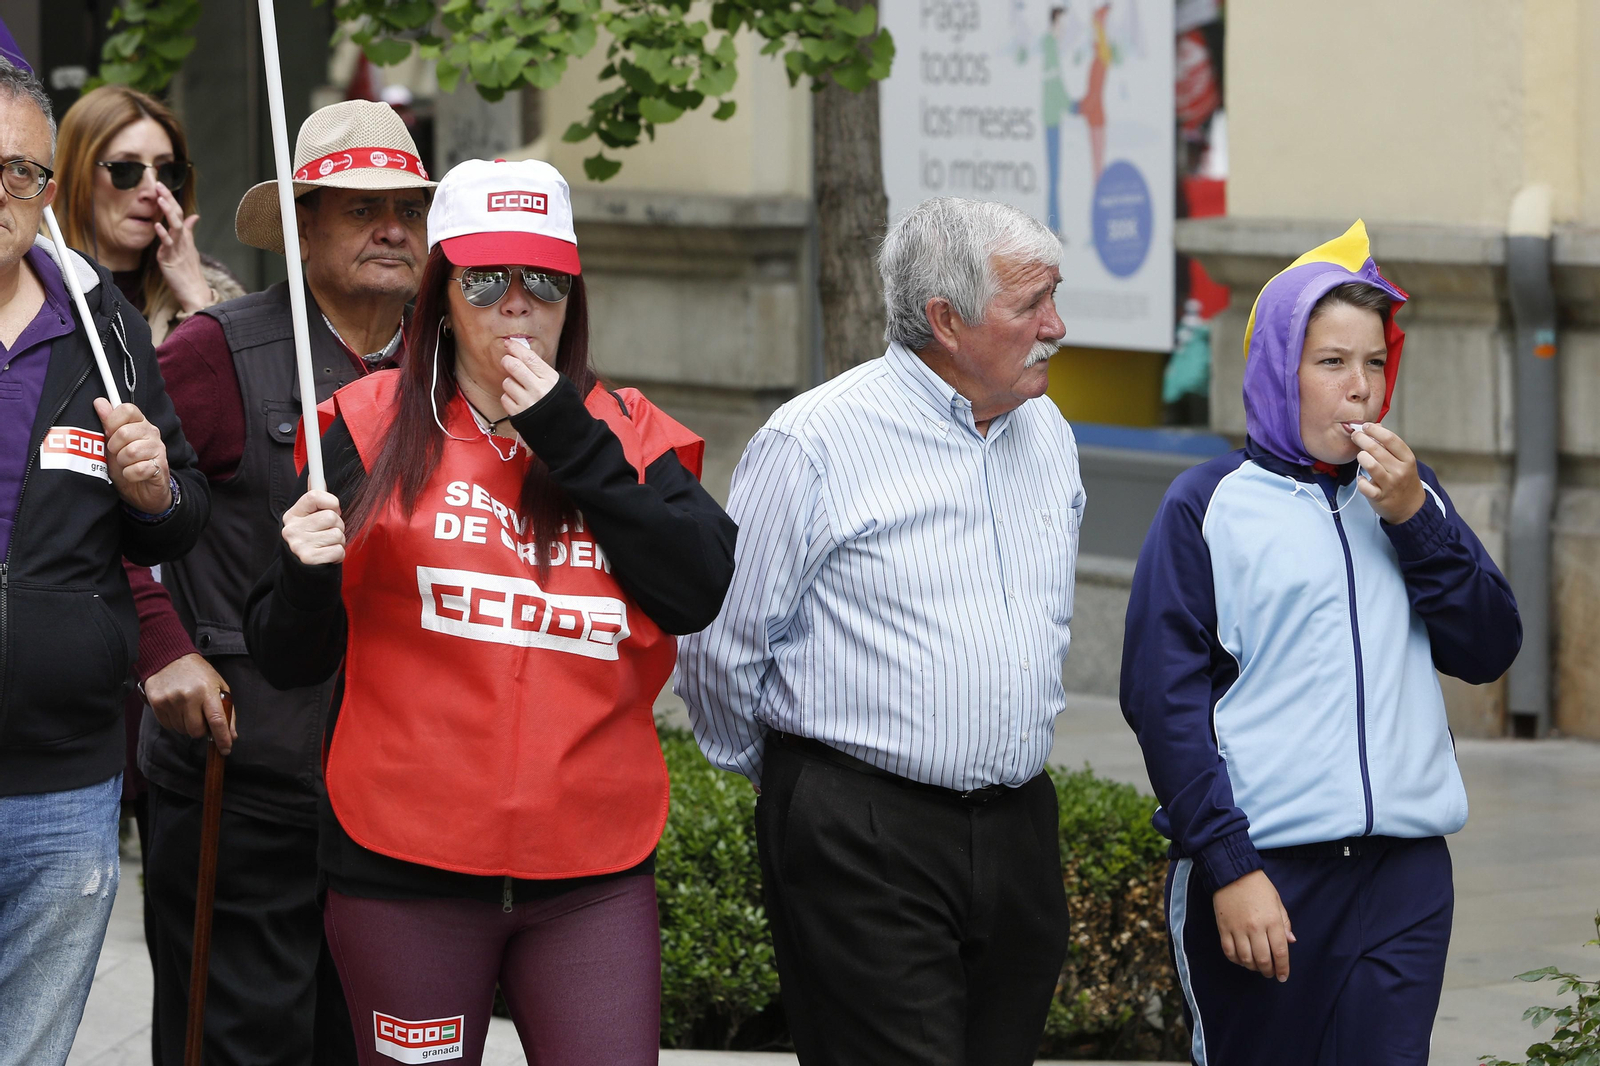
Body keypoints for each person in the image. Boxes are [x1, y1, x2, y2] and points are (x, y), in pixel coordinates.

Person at [244, 157, 736, 1066]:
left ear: (572, 298)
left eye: (543, 281)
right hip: (405, 875)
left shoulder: (631, 433)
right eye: (487, 279)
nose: (518, 304)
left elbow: (696, 587)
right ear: (441, 293)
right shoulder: (361, 427)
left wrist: (567, 435)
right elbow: (287, 658)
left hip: (592, 876)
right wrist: (304, 578)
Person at [678, 196, 1084, 1066]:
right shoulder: (815, 440)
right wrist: (807, 784)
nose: (1057, 325)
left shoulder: (1047, 433)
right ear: (946, 319)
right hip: (861, 830)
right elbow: (720, 644)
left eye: (1055, 296)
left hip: (1017, 828)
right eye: (1030, 305)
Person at [1120, 220, 1522, 1065]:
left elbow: (1487, 648)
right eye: (1332, 363)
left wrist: (1417, 522)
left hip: (1406, 876)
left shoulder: (1410, 494)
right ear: (1279, 371)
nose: (1362, 389)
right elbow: (1165, 706)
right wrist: (1230, 868)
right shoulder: (1206, 505)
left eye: (1374, 363)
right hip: (1269, 874)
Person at [127, 99, 432, 1066]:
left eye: (408, 209)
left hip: (403, 791)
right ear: (301, 226)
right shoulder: (216, 351)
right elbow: (102, 515)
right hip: (244, 779)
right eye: (360, 208)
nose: (392, 228)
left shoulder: (450, 366)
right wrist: (164, 651)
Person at [0, 58, 208, 1066]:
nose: (3, 194)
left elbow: (176, 523)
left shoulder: (102, 328)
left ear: (48, 190)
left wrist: (155, 487)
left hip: (64, 781)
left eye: (21, 174)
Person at [53, 84, 245, 344]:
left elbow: (238, 382)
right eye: (125, 169)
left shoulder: (210, 288)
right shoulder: (27, 287)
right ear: (79, 175)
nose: (153, 190)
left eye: (166, 171)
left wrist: (199, 301)